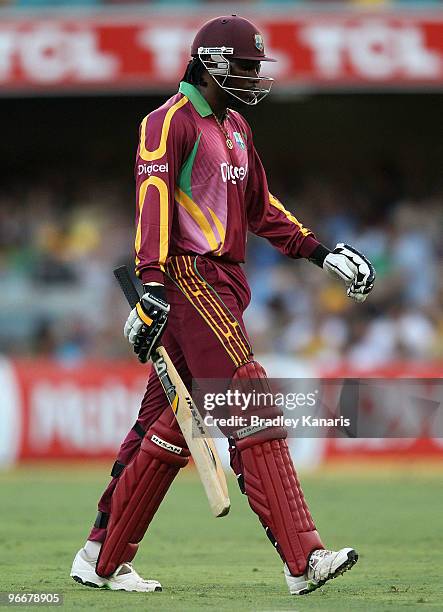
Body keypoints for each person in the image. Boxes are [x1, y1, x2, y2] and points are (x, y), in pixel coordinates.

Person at [71, 15, 375, 595]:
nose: (253, 76)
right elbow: (153, 203)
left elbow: (261, 207)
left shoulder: (235, 125)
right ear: (209, 62)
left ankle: (100, 558)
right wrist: (152, 286)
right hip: (189, 279)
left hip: (225, 282)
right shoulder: (167, 123)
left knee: (163, 426)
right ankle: (302, 559)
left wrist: (320, 251)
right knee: (247, 396)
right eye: (244, 65)